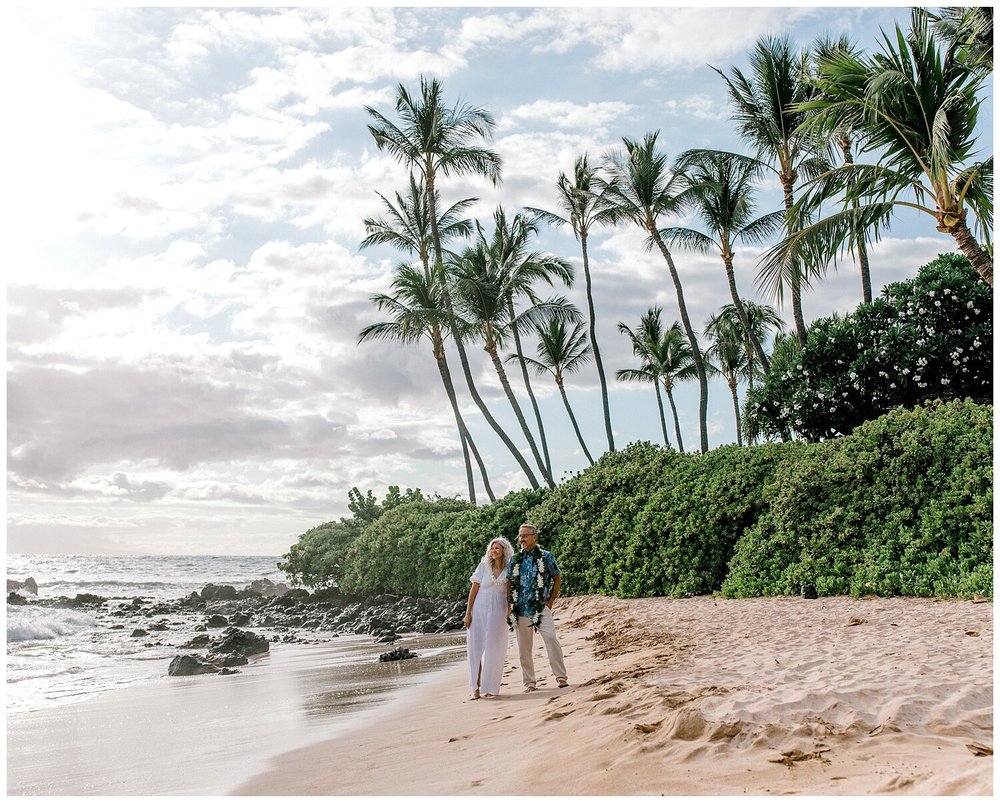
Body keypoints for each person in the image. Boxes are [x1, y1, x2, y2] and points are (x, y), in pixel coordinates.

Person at [506, 523, 568, 692]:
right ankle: (530, 683)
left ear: (535, 537)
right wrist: (509, 607)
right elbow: (509, 583)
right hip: (520, 609)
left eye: (525, 535)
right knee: (524, 649)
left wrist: (550, 601)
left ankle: (561, 677)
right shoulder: (515, 559)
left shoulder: (546, 556)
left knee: (550, 638)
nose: (522, 539)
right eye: (520, 536)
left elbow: (557, 578)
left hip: (541, 607)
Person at [463, 536, 514, 700]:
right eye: (492, 548)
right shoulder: (483, 566)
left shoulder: (509, 568)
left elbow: (509, 593)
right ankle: (475, 688)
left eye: (497, 548)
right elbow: (474, 589)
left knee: (495, 649)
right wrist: (468, 612)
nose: (493, 551)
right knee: (475, 648)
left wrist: (508, 609)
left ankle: (490, 687)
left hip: (498, 612)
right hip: (479, 610)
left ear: (504, 551)